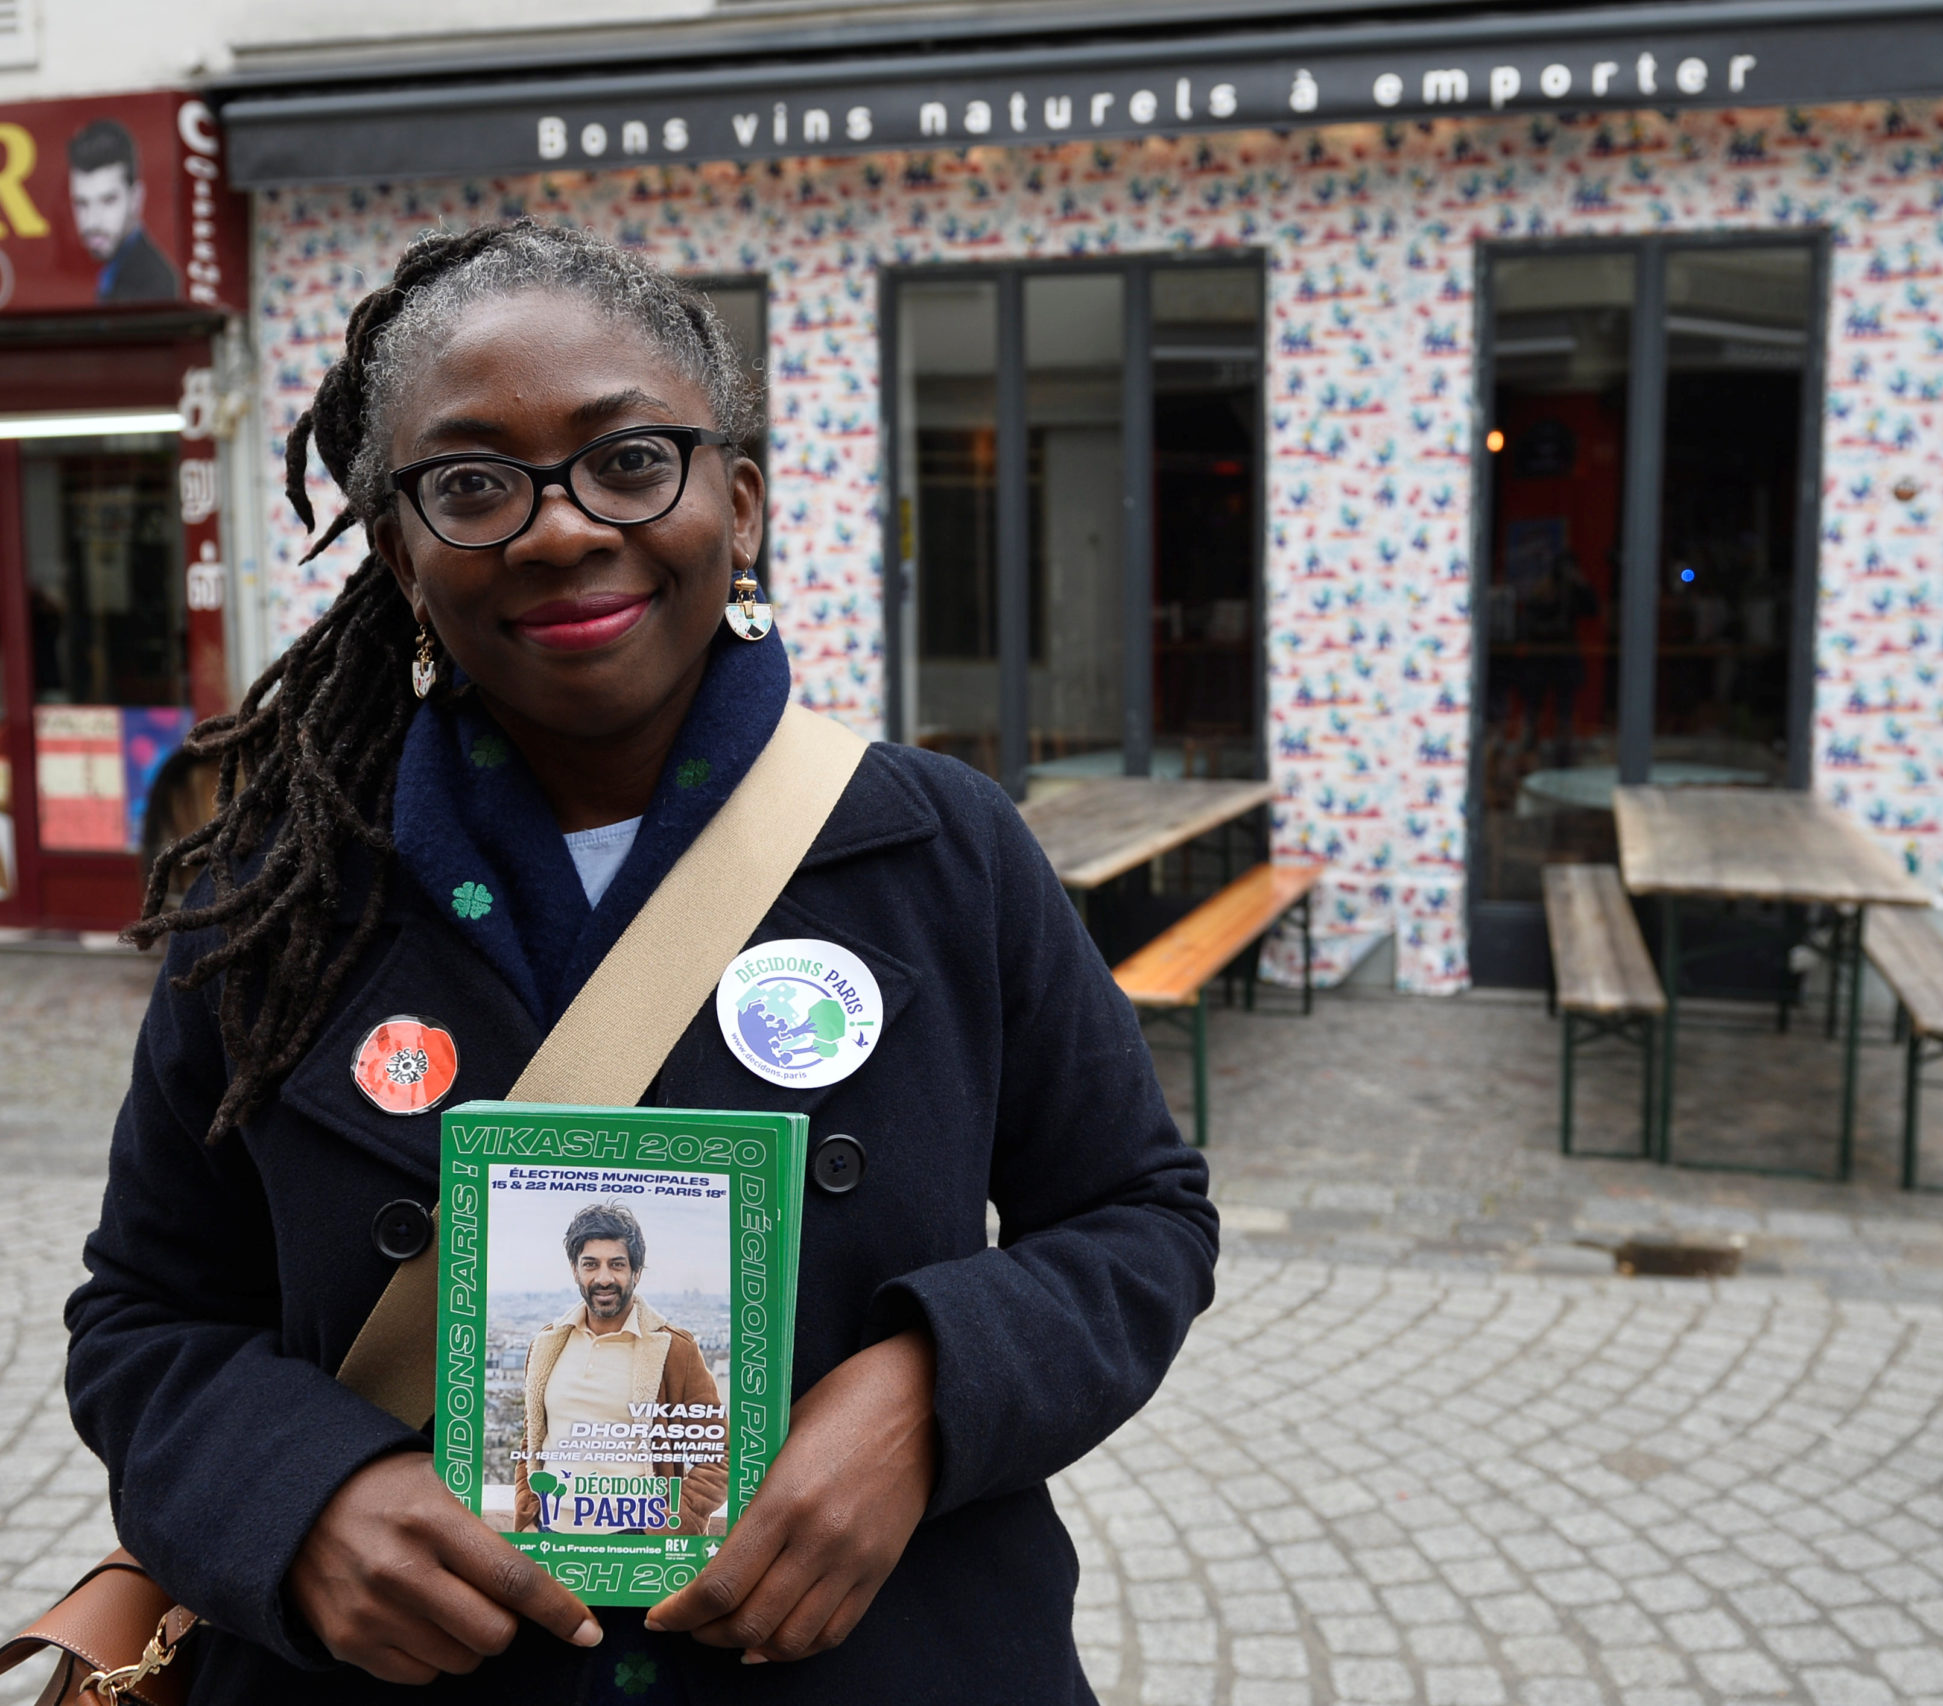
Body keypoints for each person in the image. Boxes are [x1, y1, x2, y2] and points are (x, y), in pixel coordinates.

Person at [66, 219, 1216, 1701]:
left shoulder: (943, 849)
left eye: (628, 460)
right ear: (403, 551)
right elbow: (146, 1314)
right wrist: (301, 1500)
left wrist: (929, 1394)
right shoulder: (275, 902)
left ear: (738, 505)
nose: (558, 528)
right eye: (472, 485)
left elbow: (1140, 1215)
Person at [513, 1203, 725, 1538]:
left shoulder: (673, 1349)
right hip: (549, 1533)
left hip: (634, 1536)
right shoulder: (547, 1344)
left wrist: (673, 1520)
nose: (604, 1278)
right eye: (590, 1264)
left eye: (617, 1265)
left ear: (636, 1272)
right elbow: (532, 1441)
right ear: (574, 1270)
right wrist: (528, 1515)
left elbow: (721, 1450)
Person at [68, 119, 178, 303]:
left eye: (108, 201)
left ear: (136, 198)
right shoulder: (112, 268)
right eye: (82, 203)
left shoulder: (154, 285)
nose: (93, 222)